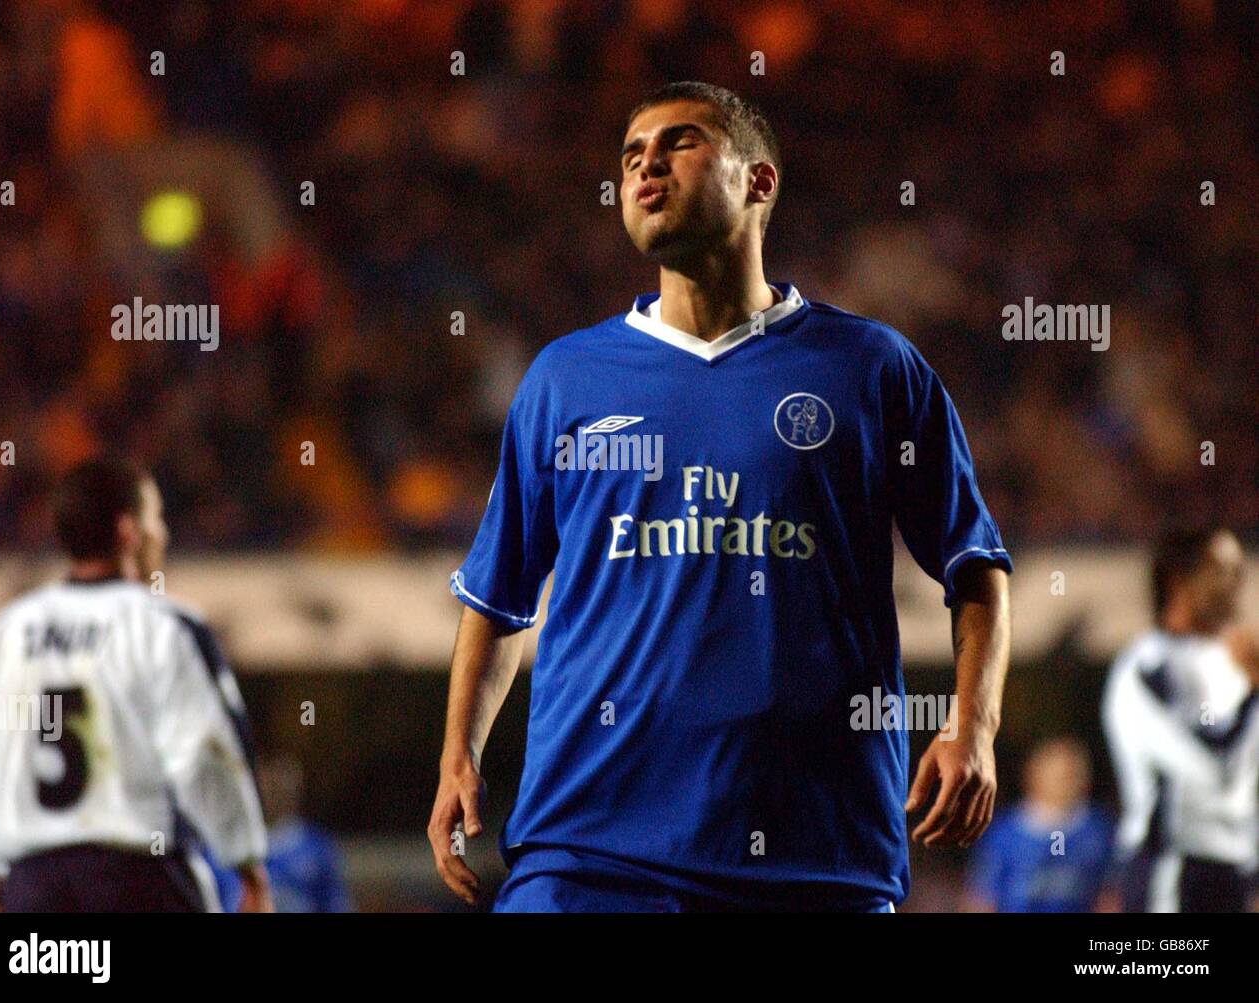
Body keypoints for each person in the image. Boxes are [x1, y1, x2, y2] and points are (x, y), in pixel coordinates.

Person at [428, 81, 1012, 913]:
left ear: (759, 182)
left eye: (679, 143)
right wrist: (460, 755)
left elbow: (975, 565)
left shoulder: (871, 368)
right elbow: (498, 595)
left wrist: (973, 727)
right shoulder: (566, 379)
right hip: (588, 850)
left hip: (816, 855)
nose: (645, 166)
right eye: (631, 155)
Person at [0, 457, 271, 912]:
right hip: (140, 879)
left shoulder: (4, 633)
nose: (161, 534)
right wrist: (247, 864)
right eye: (155, 518)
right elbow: (202, 753)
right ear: (129, 532)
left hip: (34, 886)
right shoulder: (163, 627)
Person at [1102, 525, 1259, 912]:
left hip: (1237, 871)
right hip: (1174, 868)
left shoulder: (1233, 661)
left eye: (1240, 570)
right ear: (1178, 579)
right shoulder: (1149, 665)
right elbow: (1213, 766)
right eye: (1222, 569)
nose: (1237, 582)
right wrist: (1256, 691)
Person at [963, 737, 1115, 912]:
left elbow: (1108, 894)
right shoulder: (1004, 834)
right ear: (1033, 774)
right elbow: (981, 898)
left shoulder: (1098, 829)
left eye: (1074, 773)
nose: (1068, 782)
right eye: (1060, 775)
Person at [209, 751, 350, 912]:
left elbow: (334, 904)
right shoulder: (224, 846)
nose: (273, 793)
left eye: (280, 786)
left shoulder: (316, 849)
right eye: (269, 786)